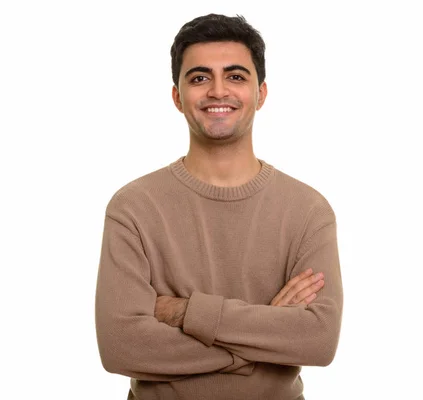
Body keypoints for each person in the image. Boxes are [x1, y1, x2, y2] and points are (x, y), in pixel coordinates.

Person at [95, 13, 343, 400]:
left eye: (235, 76)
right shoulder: (133, 208)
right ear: (178, 97)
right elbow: (120, 345)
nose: (217, 91)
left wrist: (183, 312)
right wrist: (264, 340)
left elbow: (318, 340)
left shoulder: (308, 210)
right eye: (199, 78)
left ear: (260, 94)